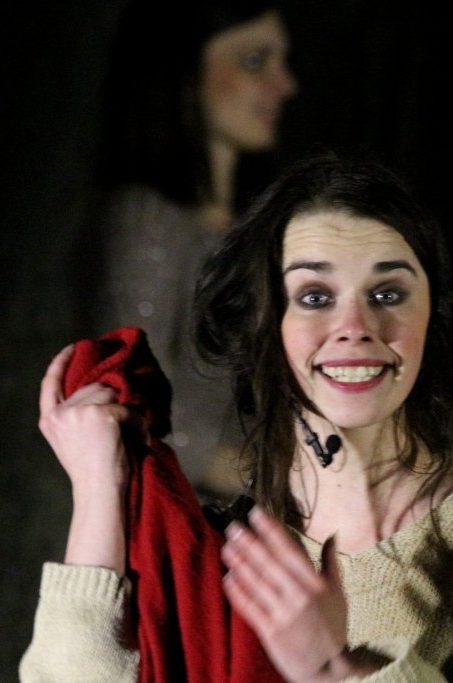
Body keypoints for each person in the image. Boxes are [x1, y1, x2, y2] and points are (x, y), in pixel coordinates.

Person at [21, 151, 453, 681]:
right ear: (263, 325)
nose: (355, 327)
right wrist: (99, 489)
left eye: (388, 294)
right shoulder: (217, 552)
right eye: (314, 298)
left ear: (433, 315)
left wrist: (339, 670)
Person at [75, 0, 299, 501]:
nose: (284, 84)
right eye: (254, 61)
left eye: (281, 61)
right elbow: (128, 398)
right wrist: (270, 481)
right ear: (182, 74)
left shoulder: (258, 228)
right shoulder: (147, 221)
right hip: (187, 523)